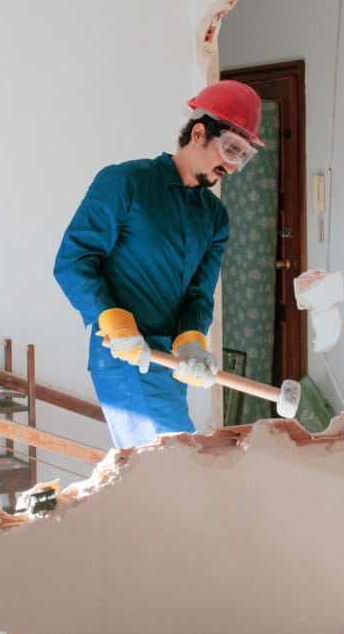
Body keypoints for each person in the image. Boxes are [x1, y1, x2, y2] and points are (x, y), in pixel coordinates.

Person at [53, 80, 264, 448]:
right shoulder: (126, 182)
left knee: (164, 474)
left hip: (166, 362)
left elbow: (199, 294)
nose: (231, 166)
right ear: (198, 133)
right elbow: (73, 260)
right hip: (123, 358)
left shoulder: (215, 218)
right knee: (177, 467)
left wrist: (192, 342)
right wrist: (112, 320)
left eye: (242, 156)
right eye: (230, 148)